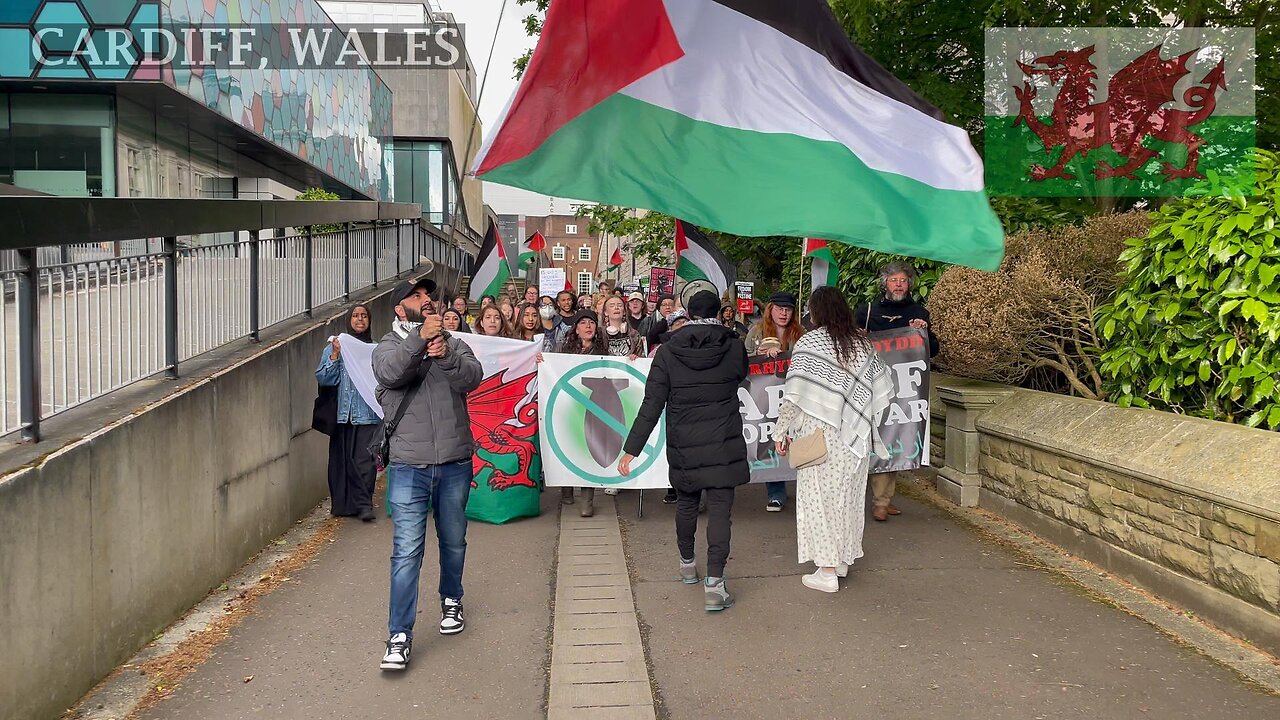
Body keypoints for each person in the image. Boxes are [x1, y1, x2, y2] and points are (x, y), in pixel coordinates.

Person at [372, 279, 482, 672]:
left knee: (453, 540)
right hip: (408, 467)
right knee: (406, 552)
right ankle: (399, 634)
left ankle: (451, 598)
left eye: (428, 295)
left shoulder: (452, 342)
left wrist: (445, 354)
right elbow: (390, 374)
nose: (428, 300)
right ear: (400, 310)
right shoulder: (387, 346)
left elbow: (473, 377)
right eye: (417, 297)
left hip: (453, 461)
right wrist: (420, 342)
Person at [619, 291, 749, 612]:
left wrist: (631, 449)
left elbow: (652, 404)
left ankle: (688, 564)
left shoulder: (668, 351)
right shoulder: (733, 346)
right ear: (719, 312)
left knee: (687, 503)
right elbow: (740, 375)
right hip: (723, 441)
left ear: (687, 312)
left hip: (684, 442)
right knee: (720, 510)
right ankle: (715, 585)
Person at [774, 286, 893, 593]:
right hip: (855, 438)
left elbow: (794, 396)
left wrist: (780, 431)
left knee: (820, 502)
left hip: (820, 434)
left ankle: (826, 571)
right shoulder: (862, 344)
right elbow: (882, 388)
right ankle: (841, 560)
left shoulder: (809, 342)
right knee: (848, 500)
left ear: (816, 312)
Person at [854, 261, 939, 521]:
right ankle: (861, 498)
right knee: (863, 440)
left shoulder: (920, 312)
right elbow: (849, 344)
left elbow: (932, 351)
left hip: (903, 390)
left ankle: (882, 501)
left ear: (909, 284)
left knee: (890, 440)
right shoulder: (866, 311)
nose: (899, 284)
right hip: (868, 386)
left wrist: (923, 333)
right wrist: (859, 335)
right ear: (885, 284)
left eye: (903, 280)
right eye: (894, 280)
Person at [315, 303, 381, 522]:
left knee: (364, 461)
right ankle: (344, 504)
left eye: (364, 316)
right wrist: (335, 356)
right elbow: (324, 379)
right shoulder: (336, 347)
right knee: (342, 461)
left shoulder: (375, 349)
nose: (360, 319)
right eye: (355, 316)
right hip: (343, 415)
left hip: (367, 414)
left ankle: (364, 504)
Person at [744, 292, 806, 512]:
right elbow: (744, 359)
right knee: (771, 439)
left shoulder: (800, 333)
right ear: (770, 309)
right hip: (765, 396)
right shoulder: (756, 331)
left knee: (797, 439)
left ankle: (806, 489)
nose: (784, 313)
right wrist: (759, 355)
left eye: (788, 309)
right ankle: (776, 490)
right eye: (779, 308)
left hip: (793, 394)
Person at [556, 310, 608, 516]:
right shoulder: (563, 349)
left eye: (592, 323)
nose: (588, 326)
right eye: (583, 323)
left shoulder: (604, 351)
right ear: (575, 329)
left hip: (593, 407)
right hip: (568, 406)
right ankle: (566, 488)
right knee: (567, 446)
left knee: (588, 450)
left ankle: (587, 500)